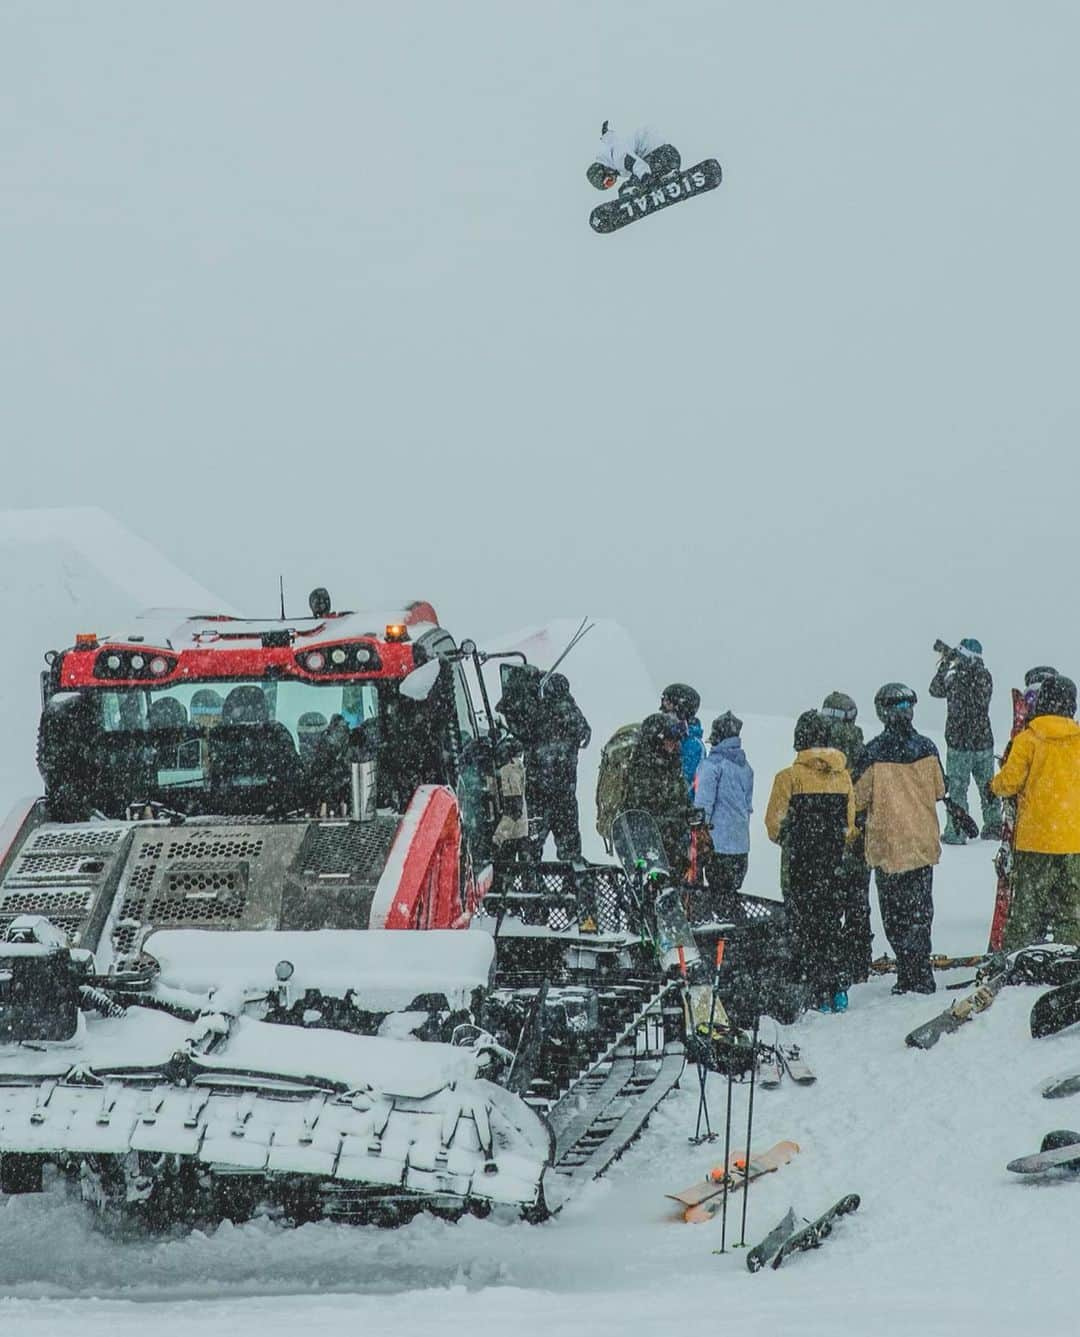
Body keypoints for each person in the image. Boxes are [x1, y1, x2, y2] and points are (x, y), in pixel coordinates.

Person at [852, 684, 945, 995]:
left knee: (896, 917)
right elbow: (939, 790)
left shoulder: (873, 752)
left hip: (889, 847)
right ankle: (922, 973)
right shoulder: (928, 748)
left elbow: (857, 799)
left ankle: (908, 974)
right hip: (922, 844)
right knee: (921, 913)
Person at [765, 710, 855, 1013]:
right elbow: (850, 826)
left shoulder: (787, 778)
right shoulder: (843, 777)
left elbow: (773, 824)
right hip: (833, 865)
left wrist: (793, 839)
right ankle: (836, 989)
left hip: (799, 865)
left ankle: (810, 986)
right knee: (831, 923)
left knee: (801, 925)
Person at [989, 675, 1080, 951]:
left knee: (1026, 911)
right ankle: (1070, 960)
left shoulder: (1028, 739)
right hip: (1074, 841)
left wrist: (992, 786)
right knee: (1070, 911)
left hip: (1036, 839)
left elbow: (1009, 783)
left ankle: (1014, 959)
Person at [819, 692, 873, 983]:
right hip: (857, 835)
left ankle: (832, 961)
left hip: (825, 837)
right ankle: (858, 963)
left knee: (828, 903)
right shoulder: (861, 749)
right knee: (857, 902)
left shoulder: (818, 751)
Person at [929, 638, 1002, 843]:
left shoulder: (956, 677)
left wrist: (945, 664)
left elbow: (935, 690)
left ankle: (957, 831)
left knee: (958, 789)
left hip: (959, 743)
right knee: (988, 786)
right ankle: (994, 825)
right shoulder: (985, 676)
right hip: (983, 742)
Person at [623, 712, 699, 881]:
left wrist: (689, 812)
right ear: (656, 739)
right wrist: (674, 817)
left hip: (674, 847)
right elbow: (643, 810)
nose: (674, 744)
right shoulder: (643, 769)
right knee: (651, 891)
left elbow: (679, 798)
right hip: (650, 850)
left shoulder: (672, 765)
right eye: (670, 739)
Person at [525, 672, 591, 862]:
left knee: (532, 847)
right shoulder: (574, 713)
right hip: (565, 794)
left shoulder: (537, 713)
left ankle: (531, 885)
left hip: (537, 794)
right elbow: (585, 735)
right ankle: (571, 885)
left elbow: (521, 731)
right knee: (570, 849)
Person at [695, 712, 753, 909]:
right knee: (731, 895)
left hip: (716, 845)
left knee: (715, 898)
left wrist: (698, 835)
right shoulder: (746, 767)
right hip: (741, 845)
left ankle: (718, 937)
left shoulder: (712, 766)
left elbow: (702, 806)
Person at [586, 122, 681, 192]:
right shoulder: (612, 153)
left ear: (605, 170)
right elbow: (612, 140)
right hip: (669, 156)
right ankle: (666, 175)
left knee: (627, 188)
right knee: (638, 180)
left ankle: (634, 192)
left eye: (609, 181)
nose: (613, 182)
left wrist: (646, 177)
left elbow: (636, 164)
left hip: (661, 156)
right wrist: (606, 135)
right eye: (609, 185)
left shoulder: (618, 157)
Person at [660, 682, 704, 796]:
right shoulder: (662, 736)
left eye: (667, 705)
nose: (662, 711)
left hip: (678, 810)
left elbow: (685, 784)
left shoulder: (692, 745)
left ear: (681, 709)